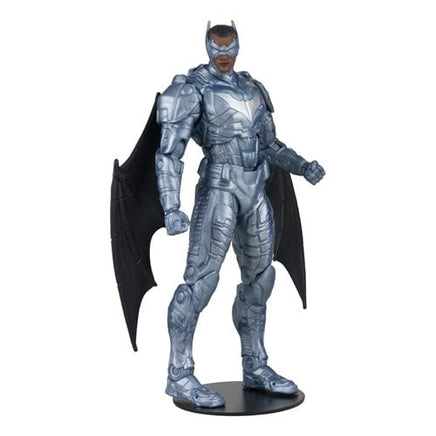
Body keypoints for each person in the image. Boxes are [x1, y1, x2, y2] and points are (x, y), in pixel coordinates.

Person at [155, 22, 325, 408]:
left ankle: (255, 365)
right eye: (217, 49)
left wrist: (302, 166)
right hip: (219, 189)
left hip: (255, 190)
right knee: (200, 283)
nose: (224, 55)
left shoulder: (252, 88)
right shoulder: (191, 89)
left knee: (260, 282)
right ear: (207, 48)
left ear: (237, 46)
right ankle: (179, 374)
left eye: (229, 48)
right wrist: (171, 206)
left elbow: (269, 145)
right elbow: (169, 152)